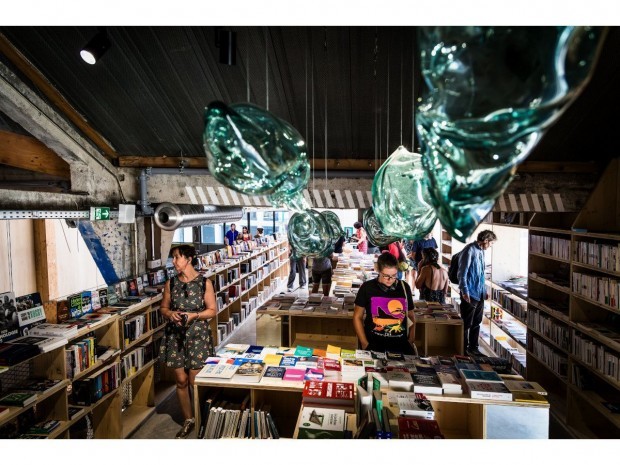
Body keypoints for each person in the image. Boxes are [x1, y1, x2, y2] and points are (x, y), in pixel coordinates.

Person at [159, 244, 217, 439]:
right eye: (173, 258)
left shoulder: (204, 283)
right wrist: (171, 314)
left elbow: (212, 310)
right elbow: (163, 308)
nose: (174, 262)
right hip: (175, 336)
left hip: (197, 336)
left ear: (189, 259)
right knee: (181, 380)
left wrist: (194, 315)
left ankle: (203, 418)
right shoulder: (171, 283)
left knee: (194, 380)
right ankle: (188, 419)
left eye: (177, 257)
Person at [353, 252, 416, 355]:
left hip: (401, 347)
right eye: (386, 276)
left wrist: (411, 340)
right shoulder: (367, 288)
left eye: (394, 275)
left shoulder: (404, 287)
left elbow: (411, 315)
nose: (390, 280)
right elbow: (357, 316)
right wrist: (364, 343)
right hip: (374, 346)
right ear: (378, 271)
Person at [457, 229, 497, 356]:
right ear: (485, 241)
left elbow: (480, 274)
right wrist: (465, 291)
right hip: (469, 293)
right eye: (491, 243)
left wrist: (484, 290)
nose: (490, 246)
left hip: (479, 293)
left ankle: (473, 348)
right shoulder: (469, 250)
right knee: (466, 323)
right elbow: (462, 273)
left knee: (477, 322)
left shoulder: (481, 251)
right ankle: (462, 349)